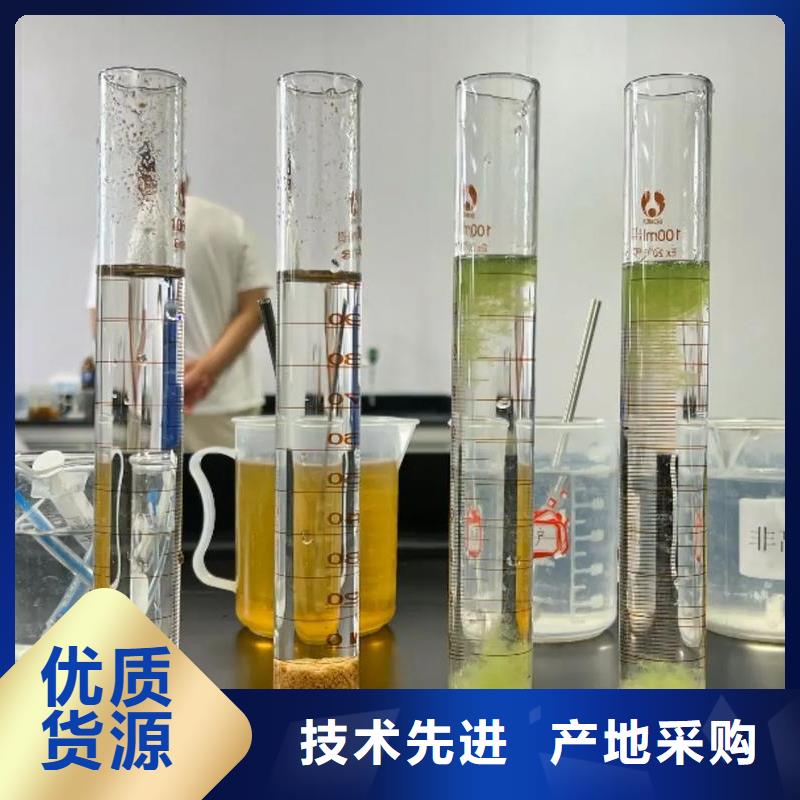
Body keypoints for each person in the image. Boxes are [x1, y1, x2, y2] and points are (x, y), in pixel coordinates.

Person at [88, 186, 271, 450]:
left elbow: (104, 315)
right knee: (221, 478)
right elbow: (254, 309)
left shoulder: (119, 230)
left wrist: (146, 381)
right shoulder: (228, 223)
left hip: (150, 404)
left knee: (151, 477)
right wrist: (205, 373)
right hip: (224, 403)